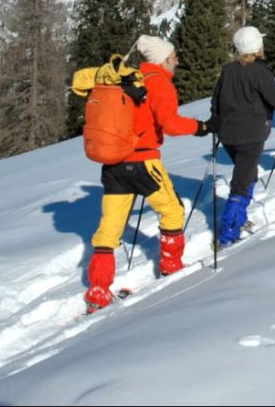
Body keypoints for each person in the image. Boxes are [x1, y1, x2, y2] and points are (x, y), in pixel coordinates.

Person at [84, 35, 211, 312]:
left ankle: (98, 290)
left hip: (113, 163)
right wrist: (200, 127)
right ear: (164, 59)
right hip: (143, 161)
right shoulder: (159, 83)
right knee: (173, 211)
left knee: (108, 229)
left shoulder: (127, 78)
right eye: (174, 56)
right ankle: (171, 267)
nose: (177, 61)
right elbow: (170, 124)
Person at [210, 26, 275, 247]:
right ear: (258, 47)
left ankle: (238, 219)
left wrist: (216, 123)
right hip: (251, 135)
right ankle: (228, 232)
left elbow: (215, 102)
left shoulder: (228, 70)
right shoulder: (260, 71)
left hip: (228, 134)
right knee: (241, 181)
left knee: (247, 174)